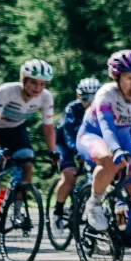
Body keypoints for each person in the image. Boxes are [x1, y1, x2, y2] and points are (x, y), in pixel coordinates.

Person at [0, 60, 58, 240]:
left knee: (27, 162)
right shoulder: (5, 91)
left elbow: (48, 128)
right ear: (23, 80)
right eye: (33, 82)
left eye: (42, 84)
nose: (38, 88)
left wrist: (53, 152)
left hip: (15, 130)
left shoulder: (46, 97)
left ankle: (17, 211)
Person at [77, 52, 131, 231]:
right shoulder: (106, 94)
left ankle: (129, 222)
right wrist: (115, 150)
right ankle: (94, 203)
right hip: (93, 135)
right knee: (109, 159)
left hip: (123, 136)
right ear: (117, 78)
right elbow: (107, 128)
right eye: (128, 78)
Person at [51, 77, 100, 230]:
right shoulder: (72, 109)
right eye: (86, 98)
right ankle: (58, 210)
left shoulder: (102, 110)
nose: (90, 102)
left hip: (86, 143)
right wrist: (78, 154)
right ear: (79, 97)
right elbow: (69, 136)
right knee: (70, 175)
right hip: (64, 143)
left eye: (94, 98)